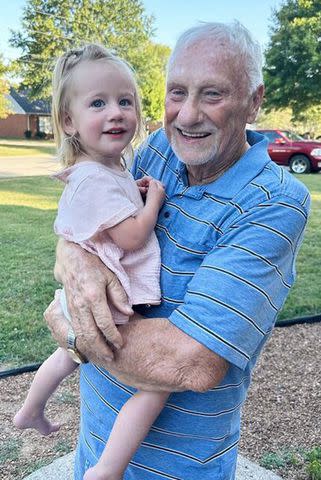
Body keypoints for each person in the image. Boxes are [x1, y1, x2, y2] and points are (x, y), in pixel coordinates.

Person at [45, 22, 310, 480]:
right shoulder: (160, 151)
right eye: (177, 92)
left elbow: (193, 360)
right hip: (95, 449)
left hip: (178, 469)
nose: (187, 116)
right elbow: (93, 219)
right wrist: (72, 254)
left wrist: (72, 329)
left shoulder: (274, 203)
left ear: (254, 100)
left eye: (212, 94)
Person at [13, 43, 170, 480]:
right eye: (97, 103)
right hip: (108, 302)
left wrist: (132, 193)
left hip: (88, 296)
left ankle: (31, 408)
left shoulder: (110, 168)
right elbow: (134, 236)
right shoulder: (93, 176)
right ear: (69, 121)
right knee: (156, 387)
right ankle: (108, 468)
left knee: (66, 355)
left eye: (125, 101)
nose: (115, 112)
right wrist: (153, 201)